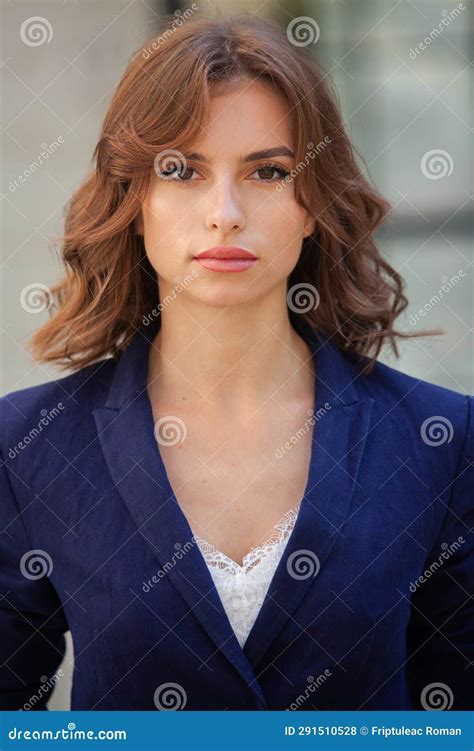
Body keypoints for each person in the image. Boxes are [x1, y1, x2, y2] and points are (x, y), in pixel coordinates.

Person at [0, 13, 472, 712]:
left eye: (269, 171)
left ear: (313, 204)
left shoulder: (440, 441)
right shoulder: (29, 445)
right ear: (135, 202)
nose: (224, 212)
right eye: (182, 171)